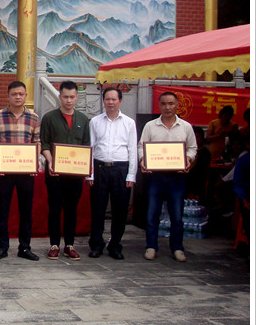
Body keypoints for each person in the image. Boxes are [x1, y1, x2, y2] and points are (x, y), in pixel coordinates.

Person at [139, 91, 197, 262]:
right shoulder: (150, 126)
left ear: (177, 105)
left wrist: (188, 159)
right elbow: (141, 146)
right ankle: (151, 246)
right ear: (159, 105)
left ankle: (177, 248)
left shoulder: (185, 126)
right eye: (164, 104)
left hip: (176, 177)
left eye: (171, 103)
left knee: (176, 215)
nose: (167, 107)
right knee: (152, 213)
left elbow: (192, 148)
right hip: (155, 176)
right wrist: (143, 159)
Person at [0, 81, 42, 261]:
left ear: (26, 96)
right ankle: (1, 247)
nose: (18, 97)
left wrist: (35, 162)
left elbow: (37, 142)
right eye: (14, 94)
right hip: (4, 172)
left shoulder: (34, 117)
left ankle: (25, 248)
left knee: (26, 211)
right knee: (2, 210)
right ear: (8, 96)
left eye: (21, 94)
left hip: (26, 172)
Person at [39, 81, 90, 261]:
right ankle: (54, 245)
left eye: (72, 97)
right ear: (59, 97)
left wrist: (86, 165)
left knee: (71, 210)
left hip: (75, 174)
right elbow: (44, 143)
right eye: (65, 97)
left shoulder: (83, 120)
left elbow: (86, 145)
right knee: (54, 208)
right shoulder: (49, 118)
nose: (68, 100)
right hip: (54, 173)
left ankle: (69, 245)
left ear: (77, 98)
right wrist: (50, 161)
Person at [87, 87, 137, 260]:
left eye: (114, 99)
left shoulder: (129, 123)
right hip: (99, 167)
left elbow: (132, 150)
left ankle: (115, 245)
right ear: (103, 101)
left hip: (121, 169)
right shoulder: (95, 121)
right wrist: (90, 174)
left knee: (120, 210)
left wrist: (131, 175)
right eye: (107, 99)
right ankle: (96, 245)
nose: (110, 102)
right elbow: (91, 147)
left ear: (120, 101)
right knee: (98, 209)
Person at [186, 126, 211, 203]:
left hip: (198, 182)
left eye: (198, 137)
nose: (196, 140)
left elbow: (201, 170)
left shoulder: (204, 152)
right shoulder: (185, 151)